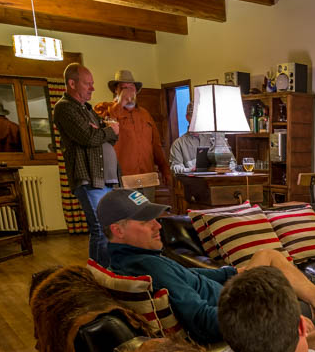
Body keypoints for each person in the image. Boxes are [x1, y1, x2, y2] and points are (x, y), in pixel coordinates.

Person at [96, 188, 315, 345]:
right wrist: (269, 317)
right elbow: (205, 322)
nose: (157, 225)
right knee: (287, 290)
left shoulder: (134, 258)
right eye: (146, 221)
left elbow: (191, 276)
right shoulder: (149, 267)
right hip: (234, 306)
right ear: (117, 230)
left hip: (226, 291)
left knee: (268, 254)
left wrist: (229, 273)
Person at [53, 62, 121, 267]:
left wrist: (103, 131)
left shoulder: (87, 109)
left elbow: (109, 136)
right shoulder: (64, 108)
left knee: (110, 228)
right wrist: (106, 131)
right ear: (72, 83)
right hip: (89, 177)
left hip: (106, 179)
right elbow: (88, 138)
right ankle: (98, 276)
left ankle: (107, 271)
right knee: (100, 228)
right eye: (88, 84)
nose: (92, 88)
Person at [94, 70, 170, 202]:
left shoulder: (145, 114)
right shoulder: (105, 109)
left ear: (136, 90)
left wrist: (165, 169)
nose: (128, 92)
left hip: (147, 179)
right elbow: (102, 135)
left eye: (131, 87)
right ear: (116, 91)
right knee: (127, 219)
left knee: (146, 217)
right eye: (124, 88)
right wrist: (120, 104)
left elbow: (156, 145)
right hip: (122, 180)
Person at [169, 102, 214, 174]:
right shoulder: (178, 144)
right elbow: (175, 167)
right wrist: (190, 170)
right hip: (192, 183)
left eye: (200, 116)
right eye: (194, 116)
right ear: (187, 117)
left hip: (216, 182)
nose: (198, 120)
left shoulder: (214, 139)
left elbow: (231, 162)